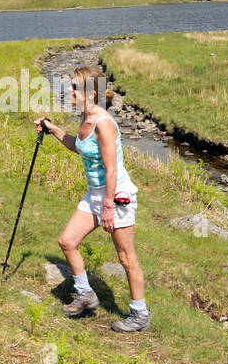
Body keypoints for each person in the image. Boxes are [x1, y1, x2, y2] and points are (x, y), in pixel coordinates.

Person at [35, 66, 149, 332]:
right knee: (67, 241)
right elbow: (79, 146)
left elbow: (112, 169)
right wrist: (52, 129)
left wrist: (108, 206)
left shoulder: (104, 124)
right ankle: (86, 295)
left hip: (116, 195)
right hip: (94, 194)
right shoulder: (85, 119)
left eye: (75, 87)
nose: (70, 91)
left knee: (125, 257)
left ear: (92, 93)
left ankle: (140, 314)